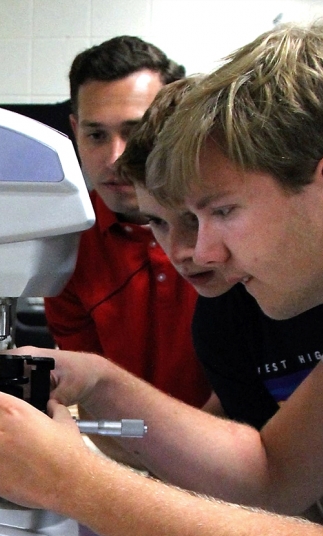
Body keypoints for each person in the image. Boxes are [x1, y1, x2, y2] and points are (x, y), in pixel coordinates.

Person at [0, 16, 323, 536]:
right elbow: (275, 472)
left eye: (222, 211)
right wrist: (103, 384)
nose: (199, 252)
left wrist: (78, 483)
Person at [114, 79, 323, 431]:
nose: (185, 252)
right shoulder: (219, 322)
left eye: (216, 213)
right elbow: (280, 473)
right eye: (156, 222)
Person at [43, 36, 212, 408]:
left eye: (135, 132)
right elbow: (92, 392)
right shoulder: (65, 247)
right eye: (96, 135)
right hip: (131, 449)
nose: (115, 157)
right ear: (75, 130)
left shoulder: (228, 228)